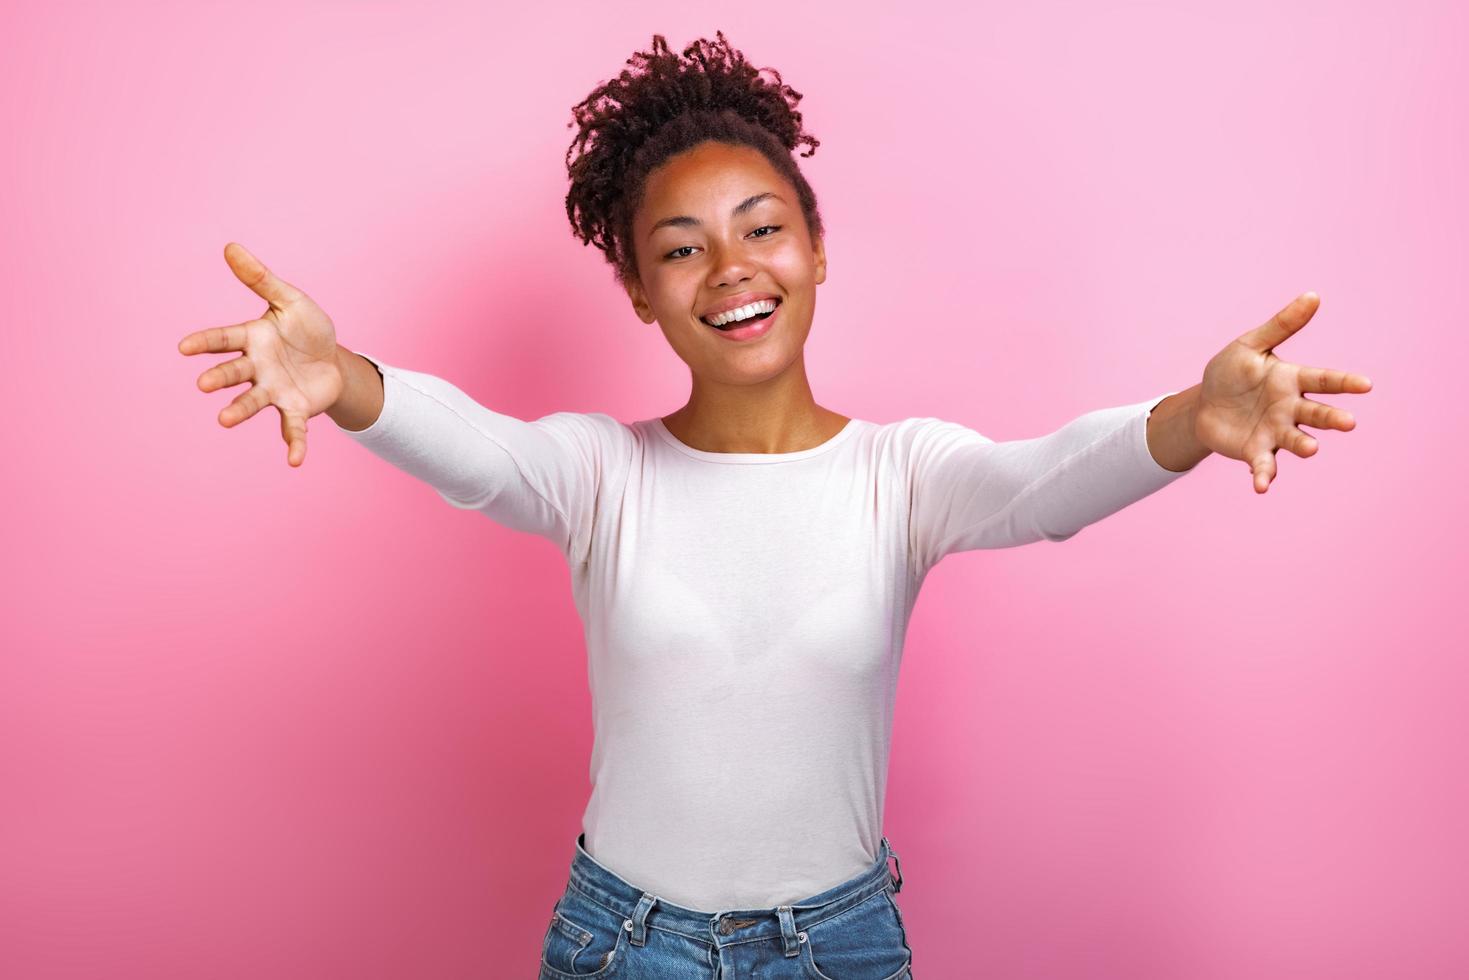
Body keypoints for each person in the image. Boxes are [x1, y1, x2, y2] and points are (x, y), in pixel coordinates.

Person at [177, 30, 1372, 980]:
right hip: (621, 943)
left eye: (761, 228)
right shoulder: (603, 472)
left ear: (813, 245)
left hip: (837, 947)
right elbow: (482, 454)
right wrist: (345, 383)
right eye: (682, 248)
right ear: (641, 291)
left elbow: (1038, 484)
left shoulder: (899, 473)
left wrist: (1186, 421)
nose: (733, 265)